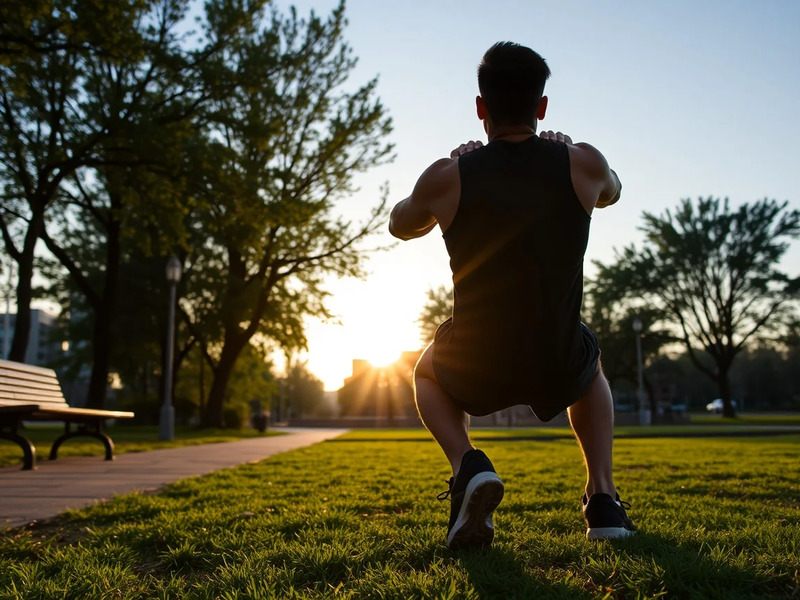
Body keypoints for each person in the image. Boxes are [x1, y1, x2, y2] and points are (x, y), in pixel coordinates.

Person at [388, 41, 636, 549]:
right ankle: (604, 501)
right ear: (542, 106)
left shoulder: (448, 175)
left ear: (481, 107)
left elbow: (400, 225)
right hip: (557, 358)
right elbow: (612, 189)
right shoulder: (582, 163)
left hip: (476, 362)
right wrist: (569, 152)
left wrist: (447, 175)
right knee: (590, 362)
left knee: (425, 371)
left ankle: (468, 465)